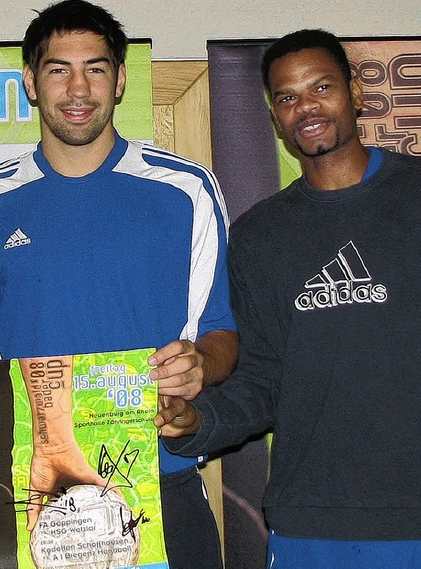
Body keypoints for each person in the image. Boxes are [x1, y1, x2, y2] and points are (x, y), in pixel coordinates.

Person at [0, 1, 237, 567]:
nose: (77, 88)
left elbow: (221, 332)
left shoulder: (186, 189)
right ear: (30, 82)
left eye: (96, 68)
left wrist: (199, 364)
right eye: (58, 69)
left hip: (161, 478)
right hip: (31, 495)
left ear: (121, 79)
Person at [157, 28, 421, 568]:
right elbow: (261, 381)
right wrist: (196, 421)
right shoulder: (259, 236)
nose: (307, 107)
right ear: (274, 116)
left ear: (355, 91)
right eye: (287, 97)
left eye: (321, 87)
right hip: (311, 522)